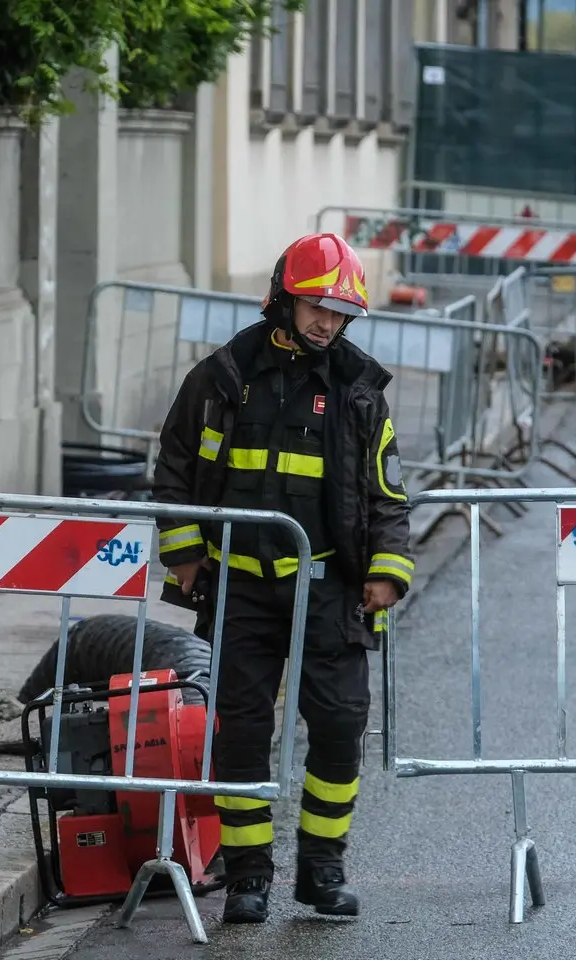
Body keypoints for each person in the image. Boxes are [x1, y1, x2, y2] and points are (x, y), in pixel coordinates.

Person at [152, 233, 413, 922]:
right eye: (316, 307)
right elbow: (175, 466)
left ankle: (322, 872)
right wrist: (183, 555)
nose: (328, 322)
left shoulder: (359, 390)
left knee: (337, 723)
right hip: (239, 586)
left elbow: (387, 494)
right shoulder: (224, 375)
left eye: (339, 312)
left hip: (327, 587)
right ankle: (248, 880)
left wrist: (387, 571)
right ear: (284, 298)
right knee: (239, 732)